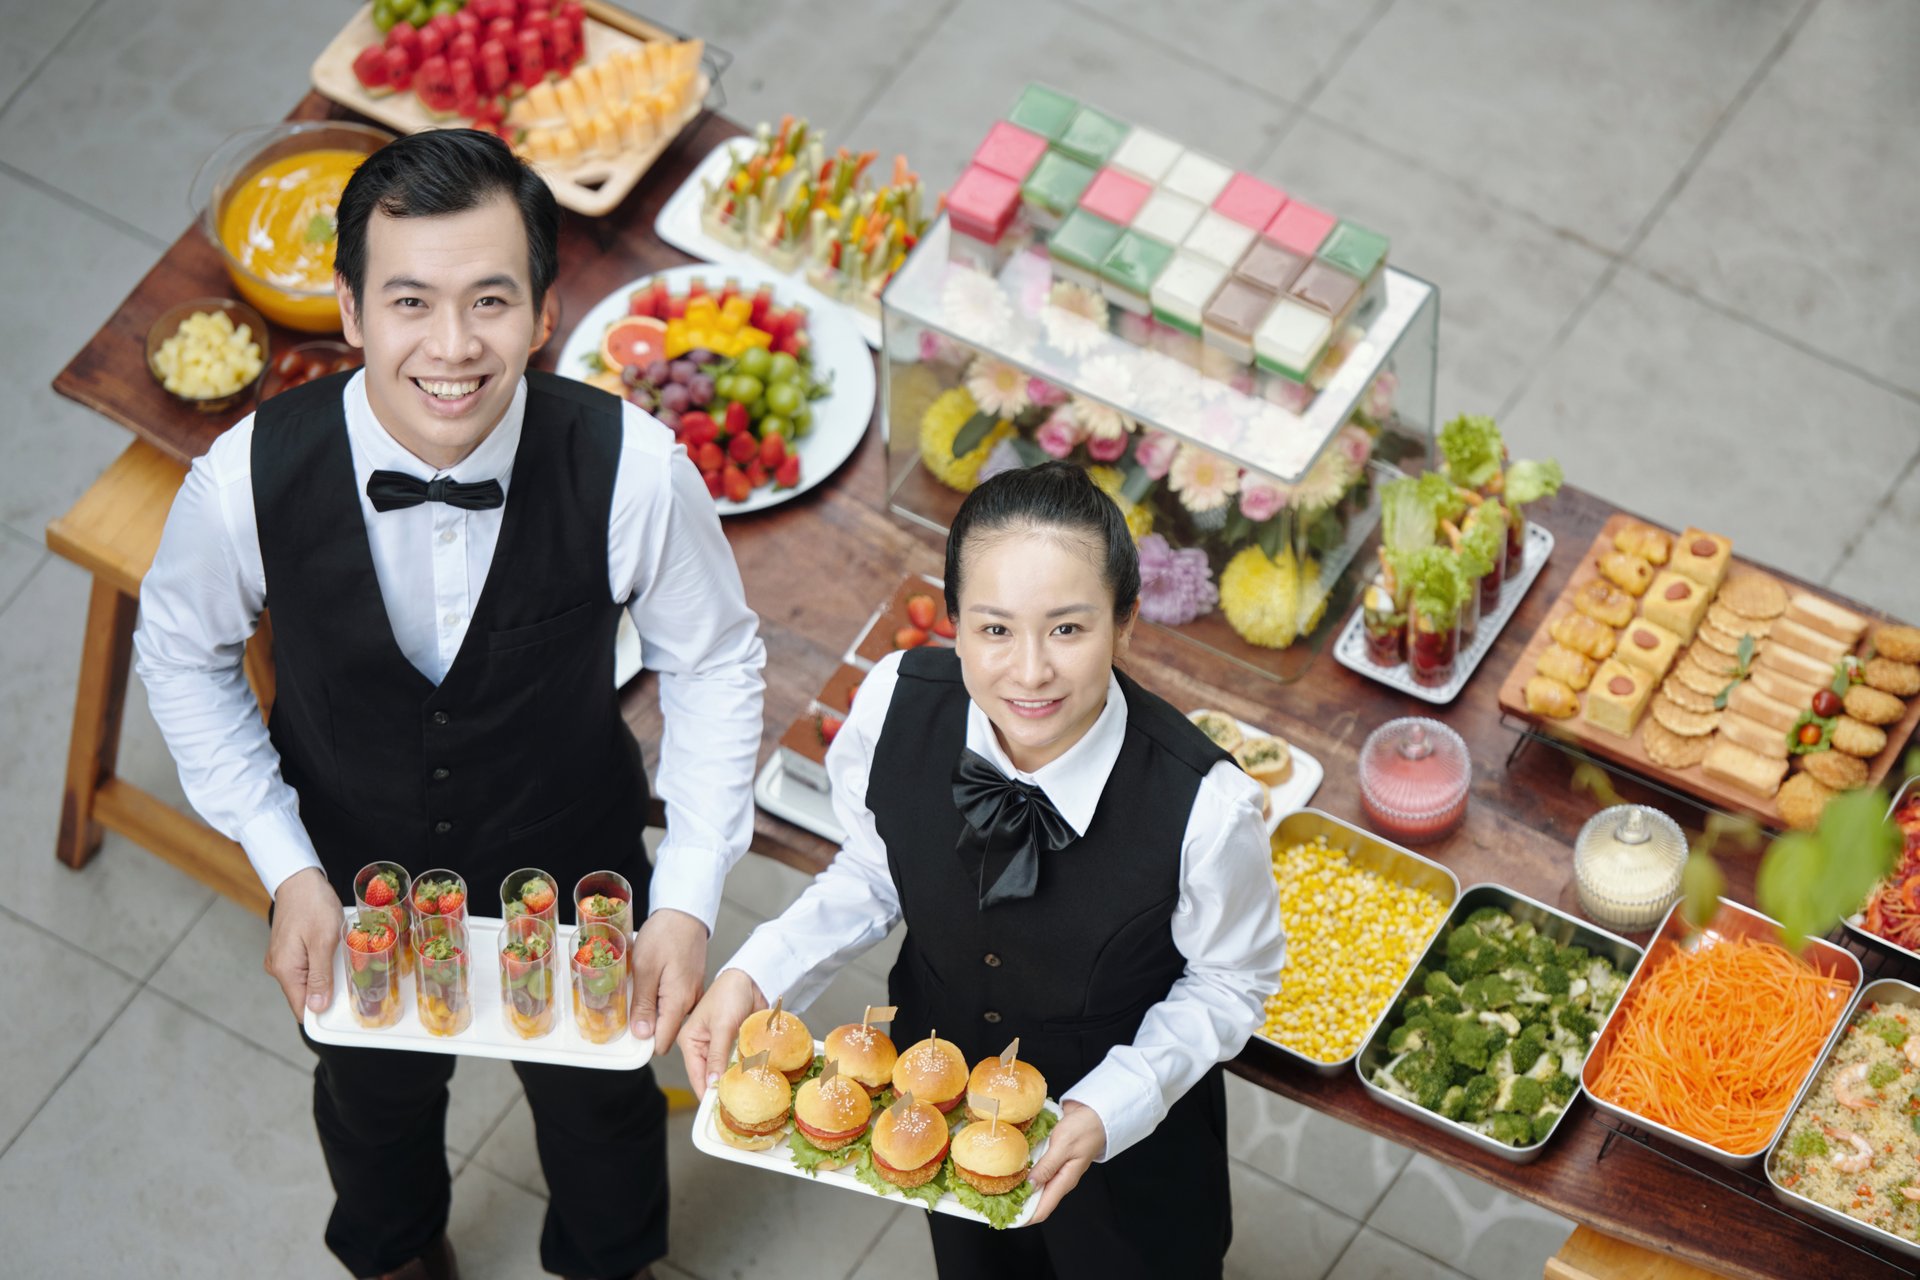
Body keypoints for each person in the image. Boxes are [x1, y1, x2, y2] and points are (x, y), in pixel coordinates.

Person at [134, 130, 766, 1280]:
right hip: (346, 860)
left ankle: (606, 1260)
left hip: (575, 856)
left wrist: (686, 896)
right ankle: (396, 1254)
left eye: (489, 300)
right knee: (369, 1101)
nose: (451, 346)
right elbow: (181, 656)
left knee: (604, 1111)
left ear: (542, 313)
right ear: (351, 310)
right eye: (411, 300)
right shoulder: (242, 479)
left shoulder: (635, 468)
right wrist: (285, 864)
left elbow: (716, 661)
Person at [678, 462, 1284, 1279]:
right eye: (995, 630)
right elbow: (873, 866)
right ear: (954, 624)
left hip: (1127, 1150)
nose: (1029, 672)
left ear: (1126, 624)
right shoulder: (893, 700)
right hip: (937, 1104)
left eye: (1068, 630)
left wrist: (1115, 1104)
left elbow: (1230, 983)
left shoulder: (1208, 809)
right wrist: (761, 971)